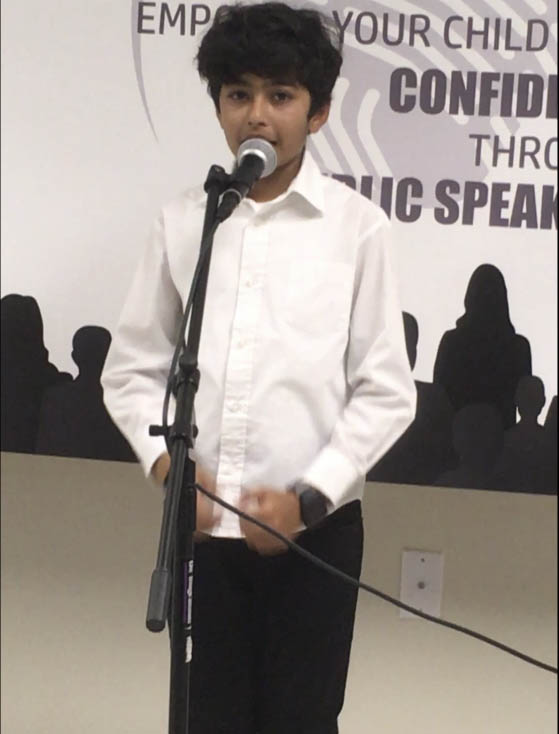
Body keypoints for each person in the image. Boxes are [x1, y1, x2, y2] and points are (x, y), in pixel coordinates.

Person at [101, 4, 415, 732]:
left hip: (316, 536)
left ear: (319, 111)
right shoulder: (187, 221)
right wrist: (170, 471)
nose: (258, 115)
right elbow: (131, 371)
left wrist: (309, 500)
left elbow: (386, 392)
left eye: (281, 95)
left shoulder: (357, 229)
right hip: (205, 535)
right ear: (218, 105)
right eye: (238, 94)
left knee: (301, 720)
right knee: (206, 715)